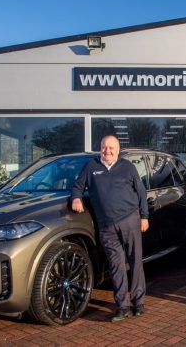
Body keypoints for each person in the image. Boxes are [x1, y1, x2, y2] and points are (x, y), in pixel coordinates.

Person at [71, 135, 149, 322]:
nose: (107, 151)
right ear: (100, 148)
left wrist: (144, 217)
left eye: (111, 147)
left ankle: (138, 302)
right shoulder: (91, 167)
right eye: (104, 147)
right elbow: (77, 186)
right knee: (116, 266)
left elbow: (141, 193)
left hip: (130, 219)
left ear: (118, 149)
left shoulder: (127, 167)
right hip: (106, 226)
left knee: (135, 261)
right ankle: (122, 306)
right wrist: (75, 198)